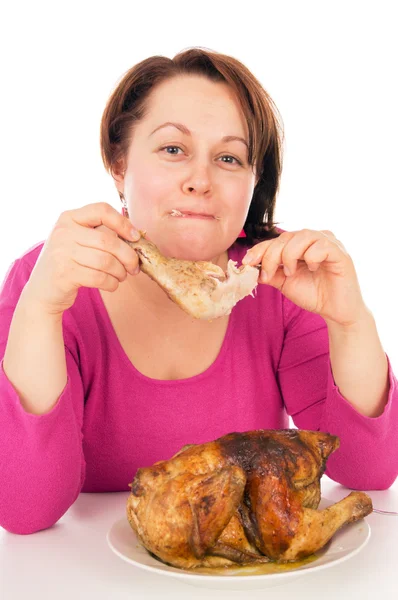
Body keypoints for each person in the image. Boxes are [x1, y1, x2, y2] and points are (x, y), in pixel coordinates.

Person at [0, 48, 397, 536]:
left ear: (254, 183)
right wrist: (39, 309)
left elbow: (369, 473)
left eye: (228, 158)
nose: (200, 181)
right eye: (173, 150)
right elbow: (24, 510)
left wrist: (351, 321)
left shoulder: (281, 283)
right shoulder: (49, 280)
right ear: (119, 163)